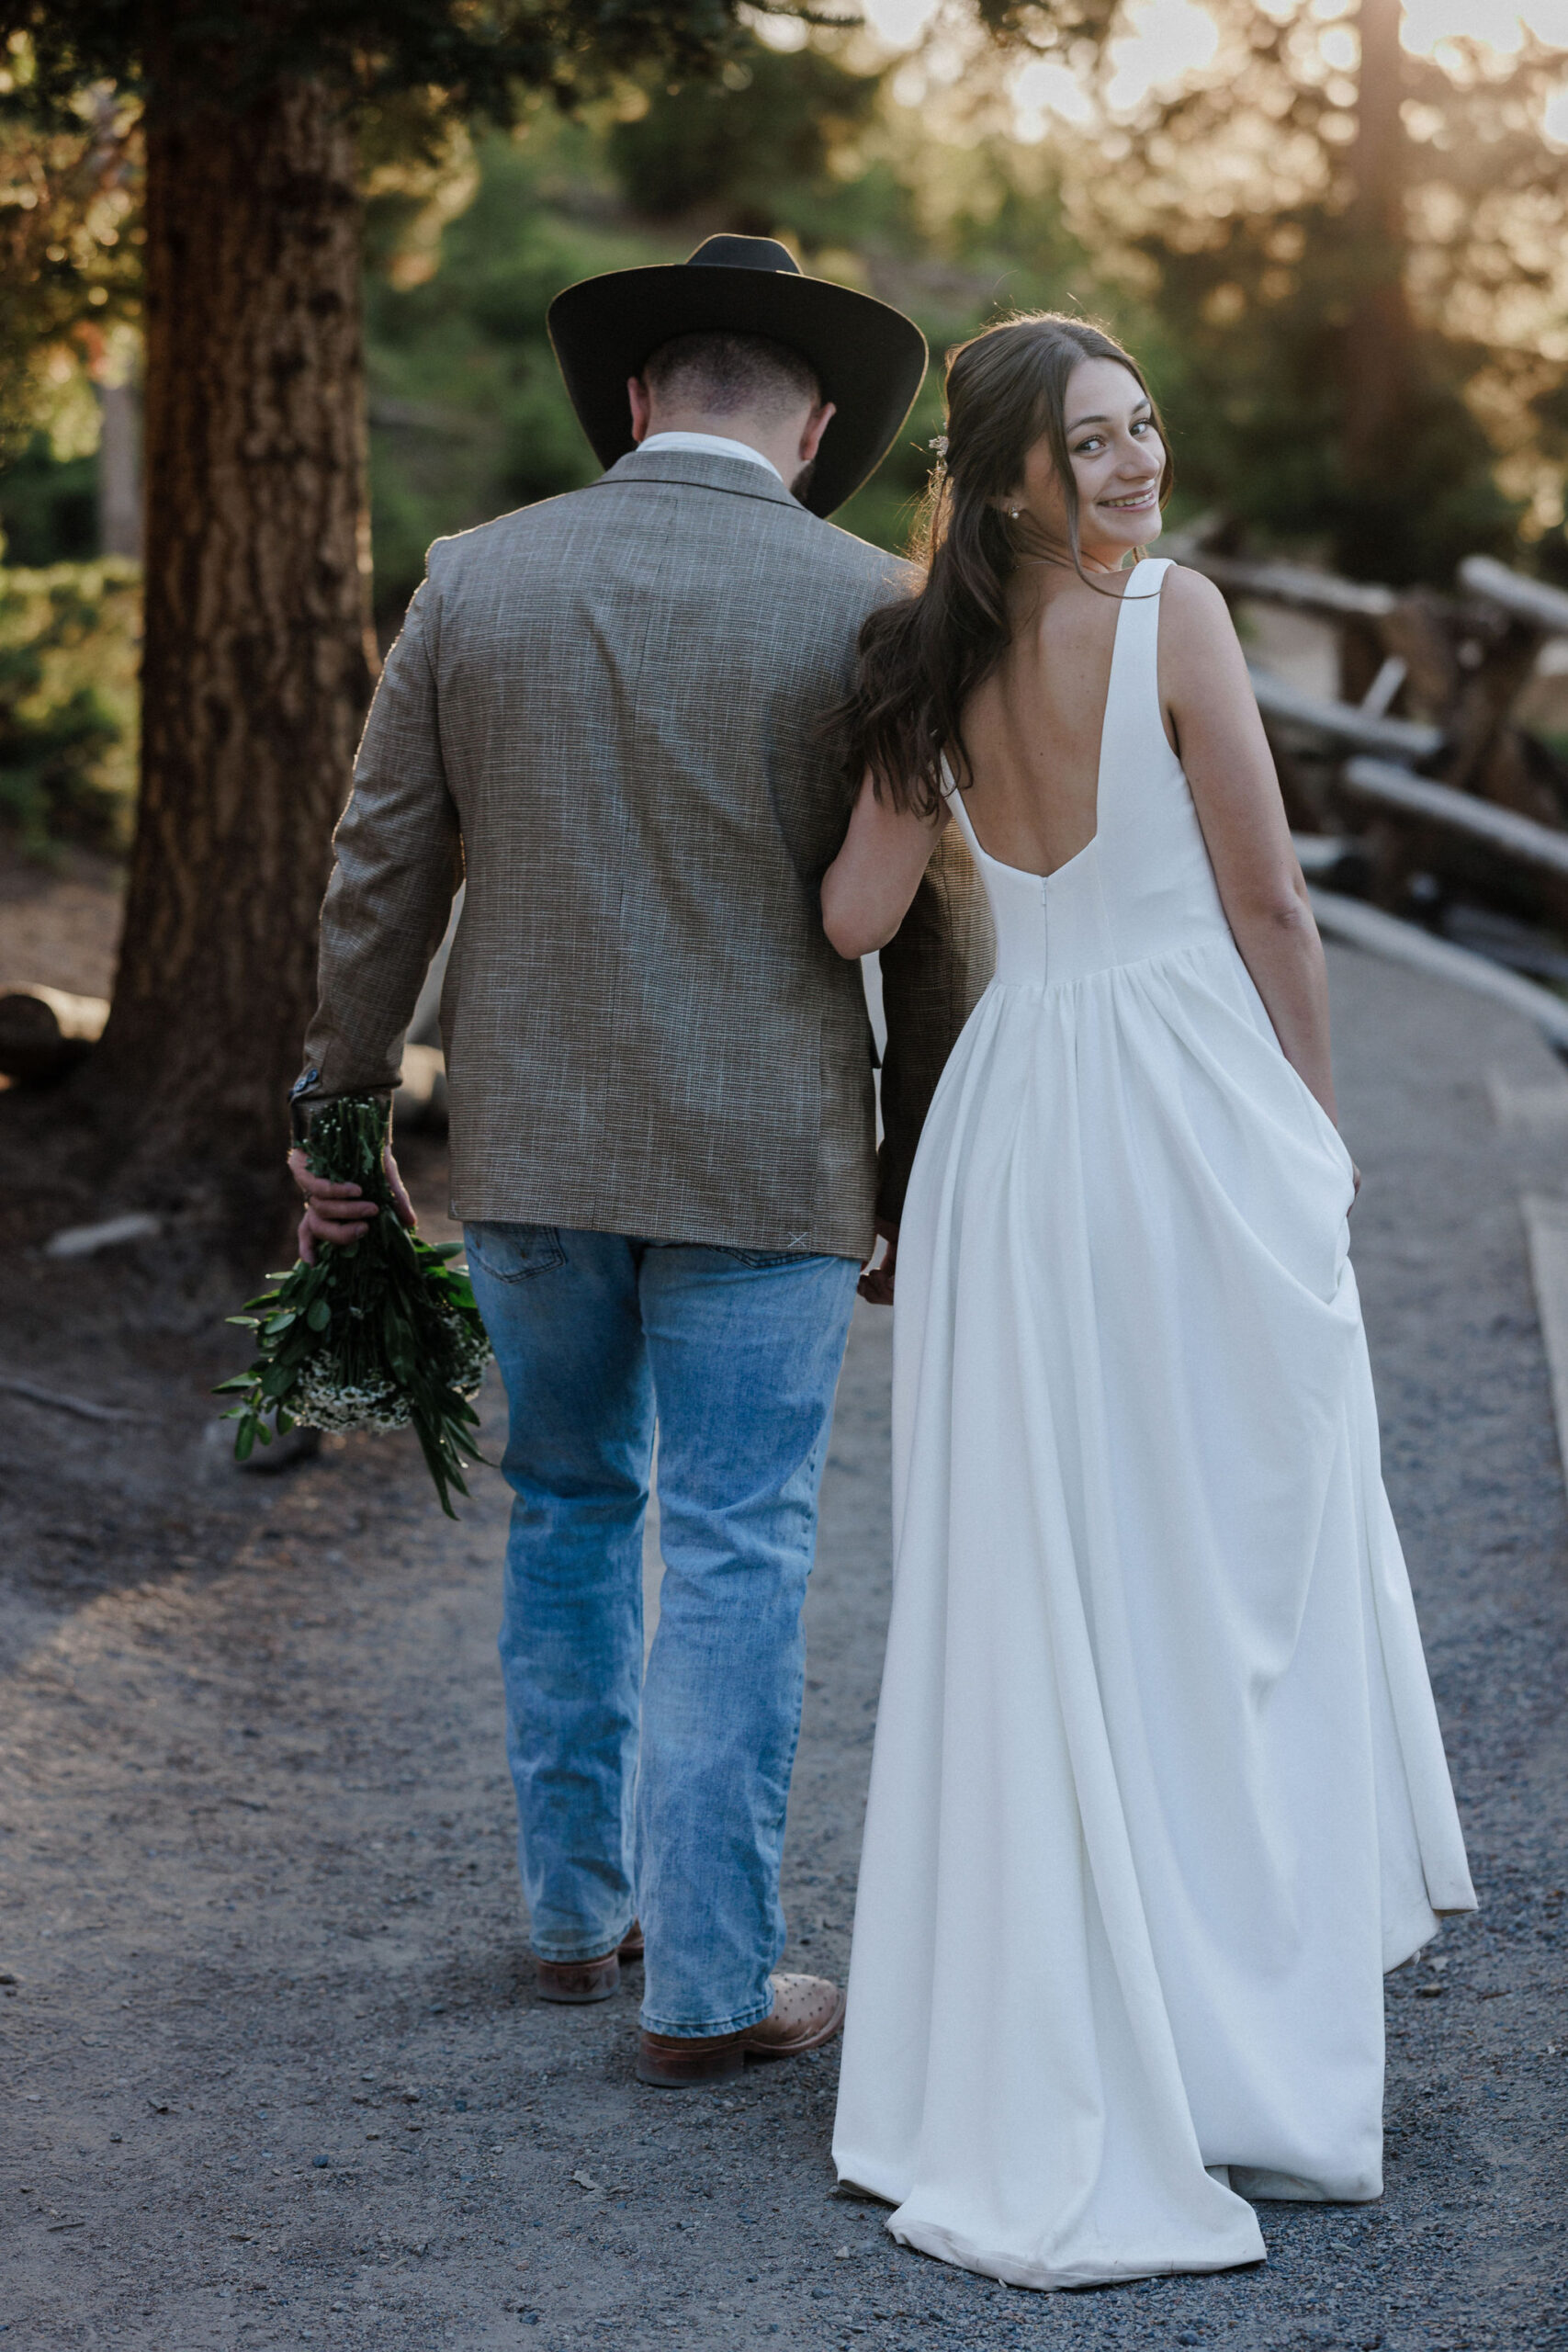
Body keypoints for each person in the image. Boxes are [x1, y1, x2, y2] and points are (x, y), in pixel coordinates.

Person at [287, 237, 993, 2088]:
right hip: (766, 1163)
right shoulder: (868, 611)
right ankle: (707, 1987)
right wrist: (924, 1172)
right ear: (817, 419)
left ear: (634, 400)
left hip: (527, 1144)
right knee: (741, 1542)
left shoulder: (475, 581)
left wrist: (338, 1112)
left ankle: (562, 1912)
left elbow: (380, 873)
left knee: (570, 1505)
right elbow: (936, 938)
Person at [821, 313, 1476, 2285]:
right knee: (1221, 1545)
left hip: (1017, 1119)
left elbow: (851, 914)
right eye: (1094, 441)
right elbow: (1270, 902)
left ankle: (1085, 1999)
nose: (1135, 464)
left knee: (1061, 1558)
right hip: (1186, 1099)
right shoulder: (1171, 616)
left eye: (1145, 428)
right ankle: (1223, 2019)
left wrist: (903, 771)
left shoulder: (915, 662)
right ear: (1016, 466)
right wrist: (1319, 1145)